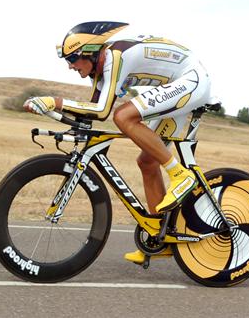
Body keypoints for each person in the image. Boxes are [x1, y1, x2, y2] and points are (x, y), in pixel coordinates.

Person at [24, 21, 212, 264]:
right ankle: (160, 236)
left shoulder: (114, 57)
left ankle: (180, 175)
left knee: (123, 116)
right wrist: (54, 114)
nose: (70, 66)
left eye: (72, 59)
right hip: (176, 84)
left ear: (89, 52)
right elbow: (90, 113)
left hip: (190, 79)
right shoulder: (100, 73)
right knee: (147, 162)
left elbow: (102, 111)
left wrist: (55, 102)